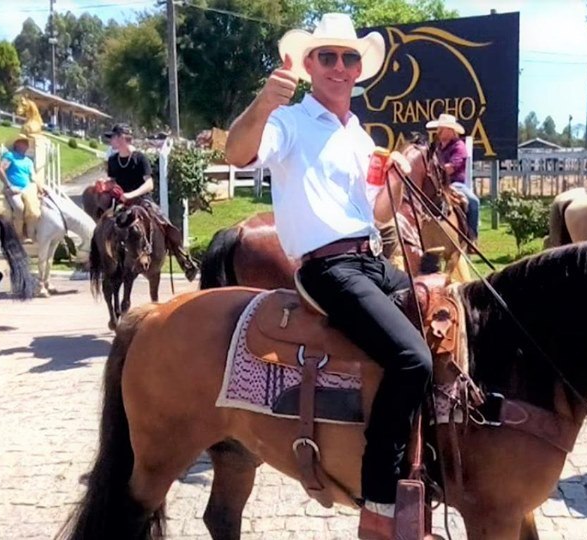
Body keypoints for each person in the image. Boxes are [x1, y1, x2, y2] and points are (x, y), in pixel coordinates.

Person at [225, 13, 428, 539]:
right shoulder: (288, 122)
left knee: (441, 316)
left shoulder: (360, 135)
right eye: (328, 56)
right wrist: (265, 101)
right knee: (411, 359)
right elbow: (236, 152)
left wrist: (399, 178)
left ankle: (427, 461)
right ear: (310, 65)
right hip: (326, 267)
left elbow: (376, 211)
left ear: (359, 69)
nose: (340, 66)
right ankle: (379, 503)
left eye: (349, 57)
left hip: (370, 259)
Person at [104, 123, 199, 281]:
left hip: (142, 200)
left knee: (164, 222)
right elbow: (112, 181)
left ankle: (183, 259)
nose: (111, 140)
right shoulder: (113, 160)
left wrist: (130, 195)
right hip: (121, 203)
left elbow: (149, 184)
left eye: (113, 137)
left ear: (121, 138)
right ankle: (103, 261)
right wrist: (106, 186)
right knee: (104, 226)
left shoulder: (140, 158)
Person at [427, 113, 479, 244]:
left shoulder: (459, 146)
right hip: (435, 184)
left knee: (474, 202)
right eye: (439, 128)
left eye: (442, 128)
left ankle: (471, 237)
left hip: (455, 184)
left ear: (450, 130)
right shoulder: (436, 147)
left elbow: (451, 168)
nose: (438, 131)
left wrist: (434, 170)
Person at [0, 134, 42, 242]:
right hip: (13, 189)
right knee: (19, 207)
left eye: (27, 143)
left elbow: (33, 177)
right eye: (24, 142)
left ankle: (31, 234)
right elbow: (0, 169)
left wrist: (40, 188)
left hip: (27, 189)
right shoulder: (10, 156)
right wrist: (9, 186)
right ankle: (18, 235)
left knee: (35, 209)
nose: (26, 145)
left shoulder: (28, 161)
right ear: (16, 144)